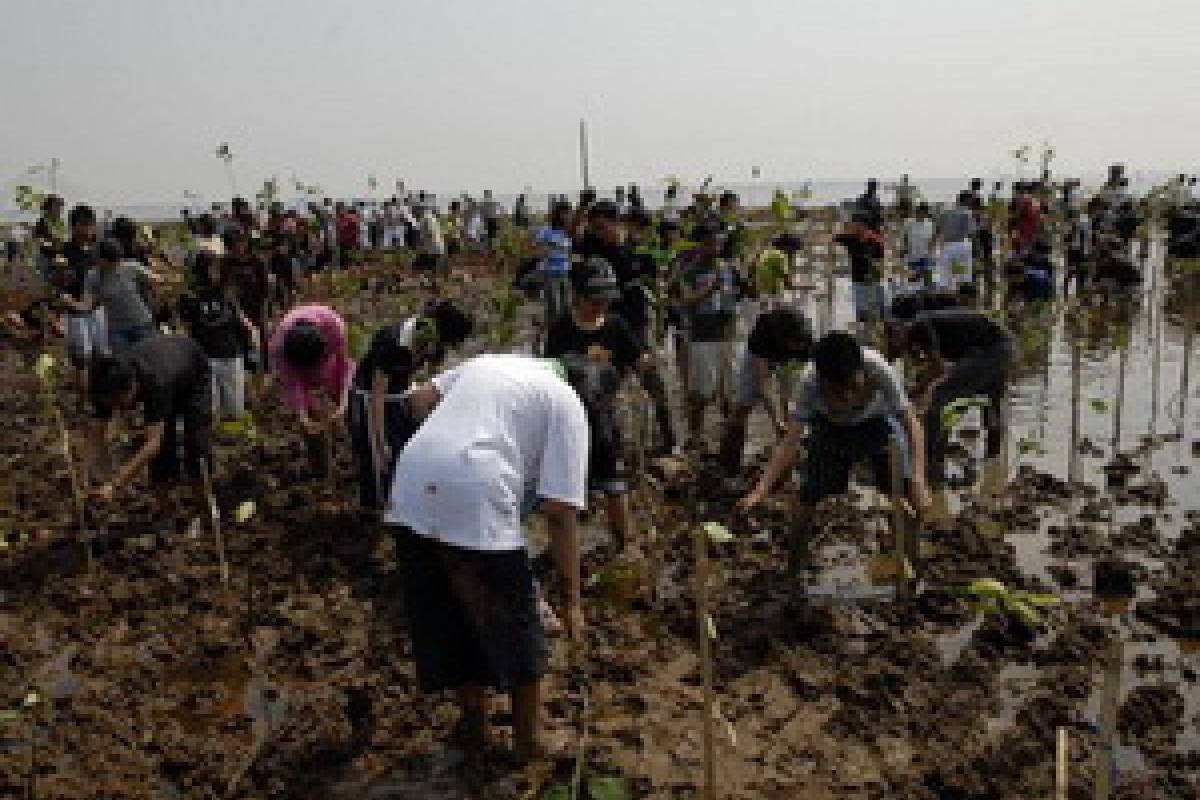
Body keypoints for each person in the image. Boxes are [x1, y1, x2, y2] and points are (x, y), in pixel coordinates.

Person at [385, 354, 595, 762]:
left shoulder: (486, 364)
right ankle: (528, 741)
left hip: (411, 482)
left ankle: (475, 728)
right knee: (515, 621)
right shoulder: (567, 403)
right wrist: (571, 601)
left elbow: (416, 401)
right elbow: (560, 512)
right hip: (476, 485)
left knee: (451, 614)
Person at [739, 332, 931, 565]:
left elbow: (912, 424)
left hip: (877, 425)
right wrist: (761, 490)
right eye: (837, 391)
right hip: (829, 429)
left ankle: (911, 565)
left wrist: (918, 479)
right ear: (822, 380)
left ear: (862, 369)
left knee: (906, 492)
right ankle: (794, 567)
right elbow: (789, 442)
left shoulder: (879, 368)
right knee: (807, 498)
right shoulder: (809, 382)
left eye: (853, 386)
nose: (848, 396)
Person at [543, 258, 660, 550]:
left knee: (614, 484)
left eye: (605, 300)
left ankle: (624, 543)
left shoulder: (617, 327)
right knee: (568, 490)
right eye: (594, 300)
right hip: (570, 422)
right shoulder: (560, 331)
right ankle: (568, 549)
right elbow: (549, 376)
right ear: (577, 296)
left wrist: (647, 361)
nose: (600, 306)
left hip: (607, 419)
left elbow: (639, 362)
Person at [349, 300, 473, 509]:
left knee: (405, 452)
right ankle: (375, 512)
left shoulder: (431, 342)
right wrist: (380, 440)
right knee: (378, 461)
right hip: (371, 401)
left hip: (401, 395)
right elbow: (377, 394)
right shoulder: (393, 341)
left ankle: (402, 502)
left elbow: (430, 377)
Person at [888, 309, 1016, 486]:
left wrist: (912, 392)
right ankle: (994, 467)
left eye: (894, 344)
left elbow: (938, 369)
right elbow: (936, 367)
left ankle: (931, 465)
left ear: (899, 331)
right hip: (1002, 346)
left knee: (942, 398)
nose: (897, 350)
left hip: (988, 349)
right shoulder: (919, 331)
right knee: (990, 404)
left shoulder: (919, 326)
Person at [84, 336, 213, 504]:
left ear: (132, 387)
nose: (117, 408)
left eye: (119, 403)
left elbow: (153, 444)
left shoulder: (155, 382)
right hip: (169, 365)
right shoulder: (105, 385)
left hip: (193, 372)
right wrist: (89, 474)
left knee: (195, 443)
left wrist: (117, 483)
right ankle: (163, 503)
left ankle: (203, 501)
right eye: (111, 404)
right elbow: (96, 435)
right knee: (165, 449)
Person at [718, 307, 814, 472]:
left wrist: (790, 414)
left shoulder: (805, 340)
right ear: (784, 340)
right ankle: (728, 461)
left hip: (785, 356)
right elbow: (764, 386)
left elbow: (802, 385)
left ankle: (791, 461)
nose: (797, 347)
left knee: (793, 409)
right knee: (743, 406)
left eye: (799, 345)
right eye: (793, 344)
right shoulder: (763, 335)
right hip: (759, 354)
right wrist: (776, 420)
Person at [269, 304, 354, 478]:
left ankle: (356, 450)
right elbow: (293, 384)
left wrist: (344, 403)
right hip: (299, 366)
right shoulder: (280, 349)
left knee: (351, 406)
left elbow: (344, 367)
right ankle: (321, 472)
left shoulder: (334, 326)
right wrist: (304, 417)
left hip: (331, 364)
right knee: (310, 423)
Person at [677, 218, 741, 447]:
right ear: (699, 245)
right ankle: (695, 435)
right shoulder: (690, 271)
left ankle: (729, 435)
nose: (715, 248)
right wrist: (707, 292)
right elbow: (684, 302)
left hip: (727, 334)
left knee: (730, 389)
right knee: (703, 390)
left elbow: (736, 296)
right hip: (703, 337)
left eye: (718, 243)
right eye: (709, 244)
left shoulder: (727, 268)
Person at [178, 250, 259, 423]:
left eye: (218, 267)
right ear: (202, 269)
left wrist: (251, 330)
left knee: (234, 410)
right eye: (213, 267)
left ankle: (230, 438)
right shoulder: (190, 296)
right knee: (210, 410)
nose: (218, 271)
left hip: (230, 353)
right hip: (204, 358)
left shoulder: (225, 292)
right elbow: (185, 329)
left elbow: (239, 315)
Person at [833, 214, 886, 329]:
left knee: (878, 312)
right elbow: (832, 238)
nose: (852, 226)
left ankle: (877, 334)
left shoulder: (876, 241)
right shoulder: (850, 238)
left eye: (854, 223)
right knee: (862, 314)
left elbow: (880, 262)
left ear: (863, 225)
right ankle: (865, 335)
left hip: (873, 281)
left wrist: (875, 270)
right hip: (858, 280)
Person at [534, 200, 574, 330]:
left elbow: (568, 253)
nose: (570, 216)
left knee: (566, 306)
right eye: (568, 213)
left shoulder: (565, 232)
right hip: (550, 273)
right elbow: (540, 251)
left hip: (564, 273)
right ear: (560, 214)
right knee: (554, 308)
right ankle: (553, 334)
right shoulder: (546, 231)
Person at [936, 192, 976, 290]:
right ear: (967, 200)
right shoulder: (967, 212)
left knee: (945, 276)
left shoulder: (945, 211)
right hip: (961, 245)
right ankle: (962, 295)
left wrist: (933, 244)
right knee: (961, 275)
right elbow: (971, 232)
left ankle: (946, 297)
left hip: (947, 246)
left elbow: (938, 230)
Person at [901, 203, 936, 292]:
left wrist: (931, 250)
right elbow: (905, 237)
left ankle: (928, 295)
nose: (920, 214)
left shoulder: (930, 224)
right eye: (918, 212)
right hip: (912, 255)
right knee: (913, 281)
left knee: (928, 281)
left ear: (926, 213)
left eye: (923, 212)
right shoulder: (908, 223)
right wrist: (904, 249)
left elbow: (933, 238)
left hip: (927, 256)